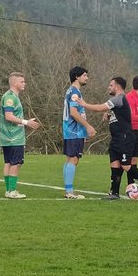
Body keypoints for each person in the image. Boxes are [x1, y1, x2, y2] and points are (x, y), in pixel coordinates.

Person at [76, 76, 135, 200]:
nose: (109, 87)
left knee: (125, 166)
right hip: (116, 137)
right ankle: (114, 193)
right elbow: (115, 113)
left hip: (124, 137)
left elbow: (100, 107)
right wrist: (109, 114)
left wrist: (84, 104)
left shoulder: (119, 98)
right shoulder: (116, 100)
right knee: (114, 164)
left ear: (117, 87)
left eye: (111, 85)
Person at [0, 72, 39, 198]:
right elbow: (8, 116)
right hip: (13, 137)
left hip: (9, 137)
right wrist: (26, 122)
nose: (24, 84)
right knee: (16, 163)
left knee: (9, 163)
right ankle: (12, 191)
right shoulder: (10, 97)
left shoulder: (12, 97)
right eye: (22, 81)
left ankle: (8, 190)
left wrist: (24, 121)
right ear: (14, 83)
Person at [62, 66, 93, 199]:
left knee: (70, 159)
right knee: (74, 159)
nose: (87, 78)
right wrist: (88, 126)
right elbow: (74, 113)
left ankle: (68, 190)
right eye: (85, 75)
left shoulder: (71, 91)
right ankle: (69, 192)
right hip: (74, 131)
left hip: (69, 131)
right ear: (77, 77)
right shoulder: (75, 92)